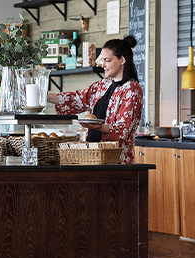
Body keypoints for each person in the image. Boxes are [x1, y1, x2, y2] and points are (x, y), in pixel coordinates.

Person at [47, 35, 143, 164]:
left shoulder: (131, 89)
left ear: (122, 60)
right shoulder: (102, 85)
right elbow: (75, 99)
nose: (103, 65)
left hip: (117, 161)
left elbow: (123, 129)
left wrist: (98, 127)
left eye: (107, 60)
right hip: (92, 156)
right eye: (102, 60)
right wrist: (42, 95)